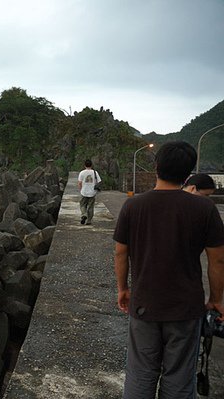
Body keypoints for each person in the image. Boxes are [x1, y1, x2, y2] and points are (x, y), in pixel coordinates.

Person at [113, 141, 224, 398]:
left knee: (140, 373)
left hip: (144, 304)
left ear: (156, 167)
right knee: (179, 376)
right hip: (186, 307)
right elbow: (217, 260)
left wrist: (123, 288)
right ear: (189, 172)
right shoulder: (204, 208)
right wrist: (216, 299)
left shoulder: (133, 206)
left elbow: (121, 252)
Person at [77, 159, 101, 225]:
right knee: (90, 207)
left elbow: (79, 183)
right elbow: (99, 181)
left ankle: (84, 215)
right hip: (92, 193)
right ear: (91, 165)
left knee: (82, 205)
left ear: (84, 165)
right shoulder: (95, 172)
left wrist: (80, 190)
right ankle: (89, 221)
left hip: (84, 192)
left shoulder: (82, 172)